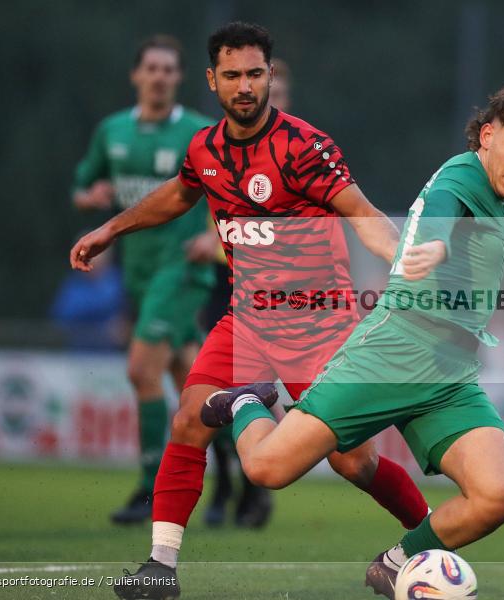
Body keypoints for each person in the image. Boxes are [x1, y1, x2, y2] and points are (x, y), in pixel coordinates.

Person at [200, 81, 504, 598]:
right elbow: (441, 211)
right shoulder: (462, 176)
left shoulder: (500, 190)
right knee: (266, 468)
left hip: (450, 373)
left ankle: (397, 562)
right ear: (486, 136)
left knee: (496, 496)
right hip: (394, 353)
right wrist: (436, 246)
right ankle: (245, 400)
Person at [70, 22, 428, 599]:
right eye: (232, 75)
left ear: (269, 77)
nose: (244, 86)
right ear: (212, 80)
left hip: (321, 325)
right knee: (189, 418)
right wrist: (111, 227)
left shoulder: (303, 146)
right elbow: (179, 193)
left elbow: (360, 211)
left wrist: (399, 255)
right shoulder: (204, 148)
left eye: (255, 74)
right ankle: (161, 568)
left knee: (353, 463)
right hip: (249, 320)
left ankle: (431, 535)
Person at [72, 35, 216, 524]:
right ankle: (240, 481)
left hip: (181, 269)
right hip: (138, 268)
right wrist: (89, 195)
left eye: (168, 69)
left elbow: (227, 192)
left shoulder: (199, 132)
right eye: (151, 68)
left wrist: (215, 237)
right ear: (137, 75)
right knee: (196, 384)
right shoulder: (111, 131)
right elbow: (84, 181)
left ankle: (150, 488)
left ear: (179, 79)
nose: (159, 76)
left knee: (140, 371)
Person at [183, 56, 294, 529]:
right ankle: (226, 482)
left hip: (278, 298)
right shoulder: (219, 150)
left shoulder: (300, 151)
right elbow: (208, 209)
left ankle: (250, 489)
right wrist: (209, 241)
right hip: (223, 290)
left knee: (255, 397)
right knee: (209, 399)